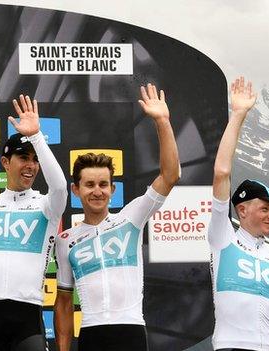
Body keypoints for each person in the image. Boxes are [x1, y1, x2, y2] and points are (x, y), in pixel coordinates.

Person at [54, 83, 180, 351]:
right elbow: (64, 302)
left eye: (103, 184)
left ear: (113, 189)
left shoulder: (131, 218)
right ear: (76, 190)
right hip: (91, 334)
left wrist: (162, 121)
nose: (97, 191)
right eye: (89, 185)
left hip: (131, 333)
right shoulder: (65, 240)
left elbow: (170, 175)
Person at [0, 94, 68, 351]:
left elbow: (60, 186)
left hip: (26, 315)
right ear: (5, 163)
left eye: (34, 159)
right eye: (23, 158)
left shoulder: (47, 205)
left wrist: (37, 136)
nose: (31, 165)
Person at [209, 76, 269, 351]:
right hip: (230, 346)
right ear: (242, 209)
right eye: (265, 208)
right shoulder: (223, 240)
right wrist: (239, 115)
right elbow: (222, 173)